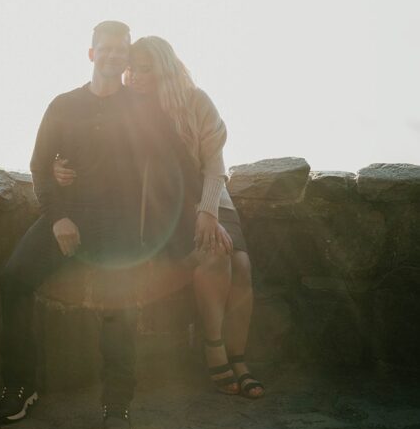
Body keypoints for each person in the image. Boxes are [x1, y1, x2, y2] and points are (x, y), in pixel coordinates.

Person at [0, 20, 200, 429]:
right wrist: (57, 217)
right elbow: (39, 167)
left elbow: (179, 162)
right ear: (91, 54)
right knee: (14, 278)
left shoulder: (142, 108)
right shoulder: (63, 105)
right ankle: (21, 385)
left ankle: (117, 406)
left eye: (119, 50)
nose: (111, 56)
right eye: (104, 49)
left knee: (119, 304)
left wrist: (192, 213)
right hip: (68, 217)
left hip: (121, 223)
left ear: (126, 58)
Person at [55, 35, 265, 399]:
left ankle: (239, 358)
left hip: (212, 199)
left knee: (242, 265)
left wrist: (207, 211)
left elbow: (215, 164)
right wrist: (58, 165)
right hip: (164, 210)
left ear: (164, 69)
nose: (134, 76)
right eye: (132, 69)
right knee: (216, 257)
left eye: (145, 69)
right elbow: (92, 146)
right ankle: (214, 348)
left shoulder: (196, 102)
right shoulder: (126, 110)